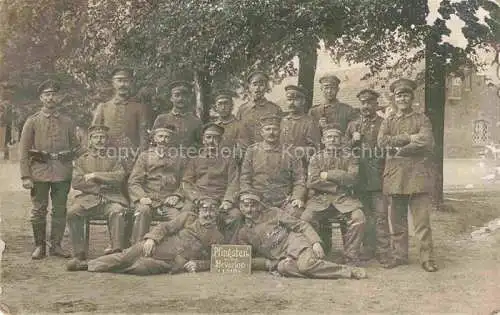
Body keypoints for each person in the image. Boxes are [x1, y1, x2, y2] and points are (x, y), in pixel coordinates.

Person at [377, 78, 438, 272]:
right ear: (394, 98)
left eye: (406, 95)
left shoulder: (422, 119)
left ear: (412, 97)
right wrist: (408, 138)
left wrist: (400, 148)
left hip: (418, 175)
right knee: (397, 219)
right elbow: (382, 142)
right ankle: (399, 255)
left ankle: (427, 258)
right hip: (395, 176)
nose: (402, 98)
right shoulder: (388, 120)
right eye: (399, 95)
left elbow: (426, 142)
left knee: (421, 221)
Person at [236, 191, 367, 279]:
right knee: (283, 268)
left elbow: (301, 225)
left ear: (259, 206)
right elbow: (247, 258)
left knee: (305, 266)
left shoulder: (274, 213)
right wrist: (270, 263)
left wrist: (315, 242)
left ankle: (348, 271)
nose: (249, 210)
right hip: (281, 259)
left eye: (253, 205)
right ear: (240, 208)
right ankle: (319, 268)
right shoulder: (243, 233)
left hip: (296, 244)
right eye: (245, 206)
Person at [79, 198, 224, 275]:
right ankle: (87, 265)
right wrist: (151, 239)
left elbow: (215, 260)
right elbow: (164, 227)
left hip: (172, 262)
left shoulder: (218, 236)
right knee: (125, 256)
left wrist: (199, 265)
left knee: (139, 267)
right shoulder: (188, 217)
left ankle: (109, 268)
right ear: (198, 211)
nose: (208, 214)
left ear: (217, 213)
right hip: (158, 246)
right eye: (204, 210)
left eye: (212, 211)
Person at [19, 80, 81, 259]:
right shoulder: (32, 121)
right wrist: (25, 176)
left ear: (59, 98)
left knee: (60, 209)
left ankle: (56, 245)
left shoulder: (68, 122)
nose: (51, 98)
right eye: (47, 94)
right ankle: (39, 246)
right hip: (39, 171)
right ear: (41, 98)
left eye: (54, 94)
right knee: (39, 209)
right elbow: (23, 151)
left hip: (62, 171)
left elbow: (76, 147)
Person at [66, 125, 129, 271]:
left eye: (102, 137)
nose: (99, 140)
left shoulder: (114, 158)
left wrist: (95, 175)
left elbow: (120, 177)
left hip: (112, 199)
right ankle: (79, 254)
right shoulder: (82, 160)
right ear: (90, 140)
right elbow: (77, 182)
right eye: (96, 137)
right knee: (72, 212)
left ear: (107, 140)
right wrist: (101, 187)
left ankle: (117, 251)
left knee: (117, 211)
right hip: (89, 198)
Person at [301, 124, 365, 264]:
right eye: (329, 137)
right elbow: (312, 182)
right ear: (323, 140)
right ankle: (315, 253)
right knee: (305, 219)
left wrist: (327, 175)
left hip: (344, 199)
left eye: (336, 137)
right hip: (320, 199)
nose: (332, 140)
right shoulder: (316, 158)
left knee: (358, 218)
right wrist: (337, 185)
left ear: (341, 140)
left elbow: (352, 179)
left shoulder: (350, 157)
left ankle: (350, 256)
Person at [345, 89, 390, 264]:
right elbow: (342, 150)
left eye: (370, 103)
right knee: (364, 215)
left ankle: (384, 250)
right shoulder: (353, 125)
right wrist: (353, 141)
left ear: (376, 104)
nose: (366, 106)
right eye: (363, 103)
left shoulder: (384, 124)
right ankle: (368, 248)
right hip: (359, 177)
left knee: (380, 215)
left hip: (378, 175)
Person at [180, 122, 241, 242]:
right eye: (208, 137)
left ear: (220, 140)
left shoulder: (229, 160)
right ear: (203, 140)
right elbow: (186, 183)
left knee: (235, 216)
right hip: (199, 200)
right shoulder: (195, 160)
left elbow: (234, 182)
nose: (212, 141)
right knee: (186, 214)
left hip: (220, 200)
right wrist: (196, 198)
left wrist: (228, 201)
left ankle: (227, 251)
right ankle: (191, 251)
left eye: (216, 138)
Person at [128, 123, 185, 244]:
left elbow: (185, 181)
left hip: (168, 201)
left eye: (167, 137)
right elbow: (134, 182)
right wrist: (142, 197)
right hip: (149, 199)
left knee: (179, 219)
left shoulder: (179, 158)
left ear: (171, 140)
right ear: (154, 138)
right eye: (160, 136)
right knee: (143, 211)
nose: (163, 140)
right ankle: (137, 247)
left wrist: (177, 195)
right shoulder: (144, 156)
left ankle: (171, 251)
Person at [240, 114, 306, 212]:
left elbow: (299, 179)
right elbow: (245, 178)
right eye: (268, 129)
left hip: (284, 200)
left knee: (296, 212)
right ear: (261, 132)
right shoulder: (252, 151)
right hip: (258, 200)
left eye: (275, 129)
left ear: (280, 132)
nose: (271, 133)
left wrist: (297, 197)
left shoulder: (291, 151)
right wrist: (249, 196)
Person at [92, 67, 150, 169]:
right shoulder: (103, 107)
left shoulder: (139, 107)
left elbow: (143, 134)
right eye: (119, 81)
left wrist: (141, 155)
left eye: (126, 81)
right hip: (107, 156)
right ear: (113, 83)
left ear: (131, 83)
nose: (122, 85)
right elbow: (94, 134)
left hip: (131, 157)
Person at [236, 71, 283, 151]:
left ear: (266, 87)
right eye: (254, 84)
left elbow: (281, 134)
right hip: (245, 154)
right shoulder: (242, 109)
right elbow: (237, 133)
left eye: (261, 84)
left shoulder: (275, 109)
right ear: (249, 87)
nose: (257, 88)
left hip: (267, 153)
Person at [152, 81, 202, 150]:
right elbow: (153, 142)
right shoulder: (161, 119)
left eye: (185, 95)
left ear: (189, 98)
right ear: (171, 98)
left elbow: (201, 145)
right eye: (177, 95)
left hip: (188, 158)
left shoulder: (196, 122)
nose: (180, 98)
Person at [280, 85, 321, 164]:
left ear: (303, 101)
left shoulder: (310, 123)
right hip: (282, 164)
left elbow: (315, 149)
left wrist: (293, 151)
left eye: (295, 100)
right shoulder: (283, 121)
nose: (292, 103)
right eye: (289, 100)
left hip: (301, 165)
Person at [211, 89, 242, 162]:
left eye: (226, 103)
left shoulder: (240, 126)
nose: (223, 107)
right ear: (216, 107)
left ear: (232, 106)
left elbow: (243, 150)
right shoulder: (212, 127)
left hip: (234, 165)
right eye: (220, 104)